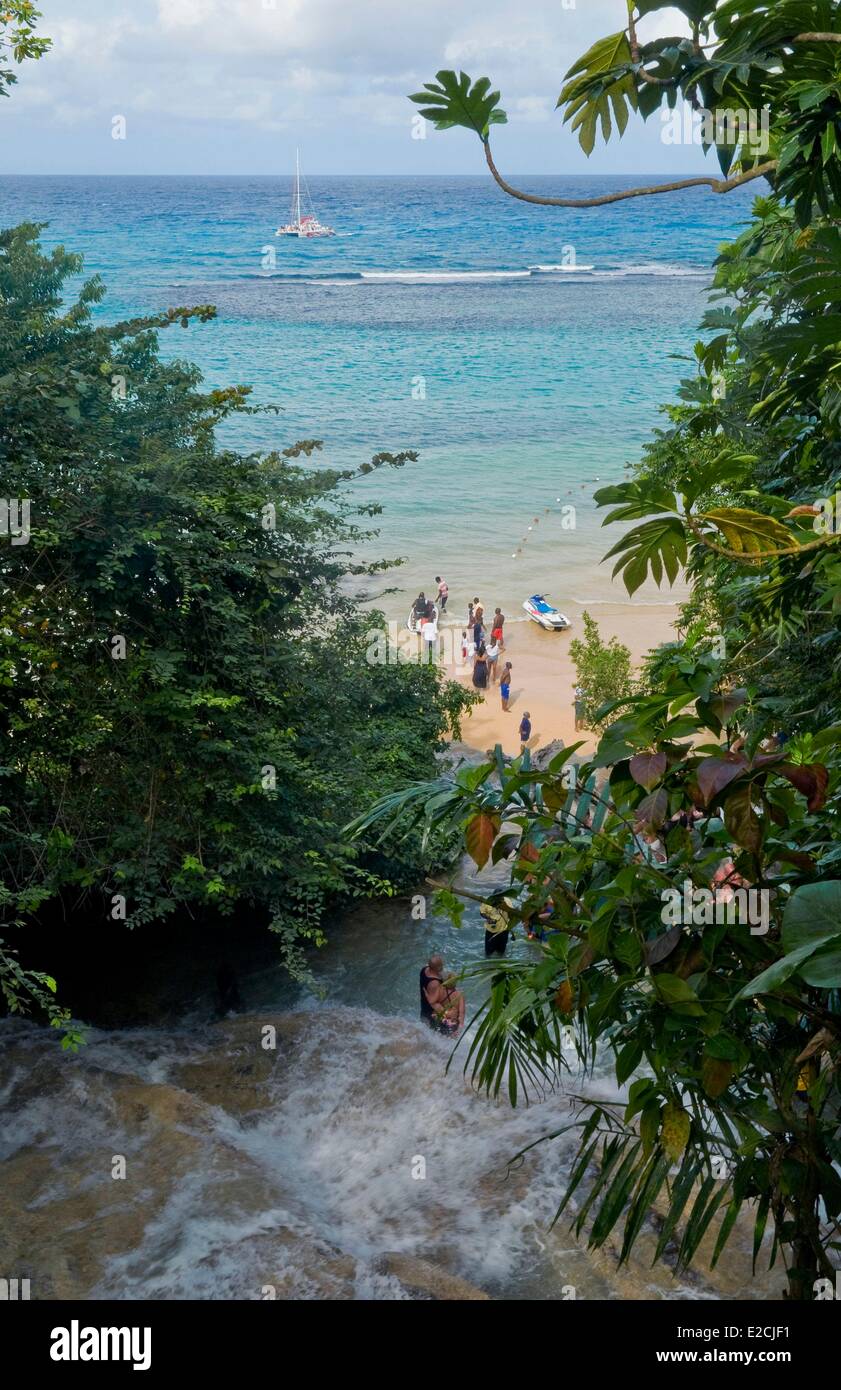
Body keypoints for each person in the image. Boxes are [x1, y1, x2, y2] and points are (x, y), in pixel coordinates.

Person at [419, 954, 444, 1025]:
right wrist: (447, 1013)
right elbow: (434, 1003)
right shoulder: (434, 983)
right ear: (437, 968)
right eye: (441, 965)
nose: (442, 967)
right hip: (432, 1014)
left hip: (424, 1008)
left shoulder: (424, 969)